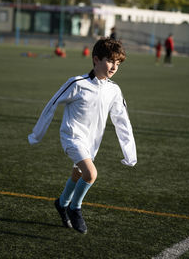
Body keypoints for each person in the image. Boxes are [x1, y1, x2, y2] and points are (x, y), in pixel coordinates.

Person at [28, 38, 137, 234]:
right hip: (72, 137)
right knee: (91, 174)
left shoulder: (114, 90)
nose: (114, 66)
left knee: (78, 173)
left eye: (118, 63)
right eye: (110, 61)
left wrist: (130, 153)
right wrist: (37, 134)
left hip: (92, 141)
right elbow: (52, 105)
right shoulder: (77, 83)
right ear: (96, 59)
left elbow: (122, 121)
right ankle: (74, 207)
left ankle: (61, 203)